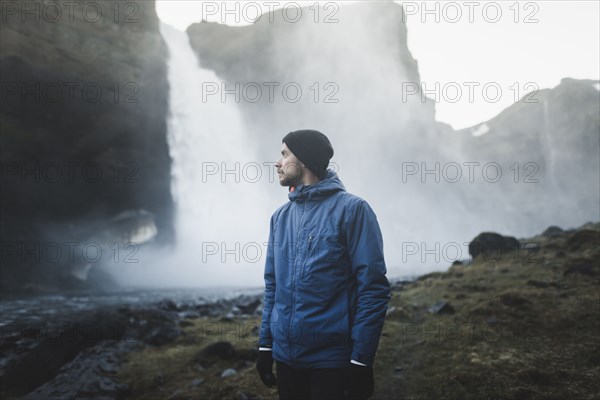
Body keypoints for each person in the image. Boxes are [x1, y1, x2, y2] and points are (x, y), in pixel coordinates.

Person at [256, 129, 391, 400]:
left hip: (331, 361)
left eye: (284, 154)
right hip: (285, 359)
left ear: (303, 160)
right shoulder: (279, 218)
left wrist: (361, 361)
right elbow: (273, 286)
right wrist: (265, 346)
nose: (277, 163)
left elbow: (373, 289)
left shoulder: (353, 210)